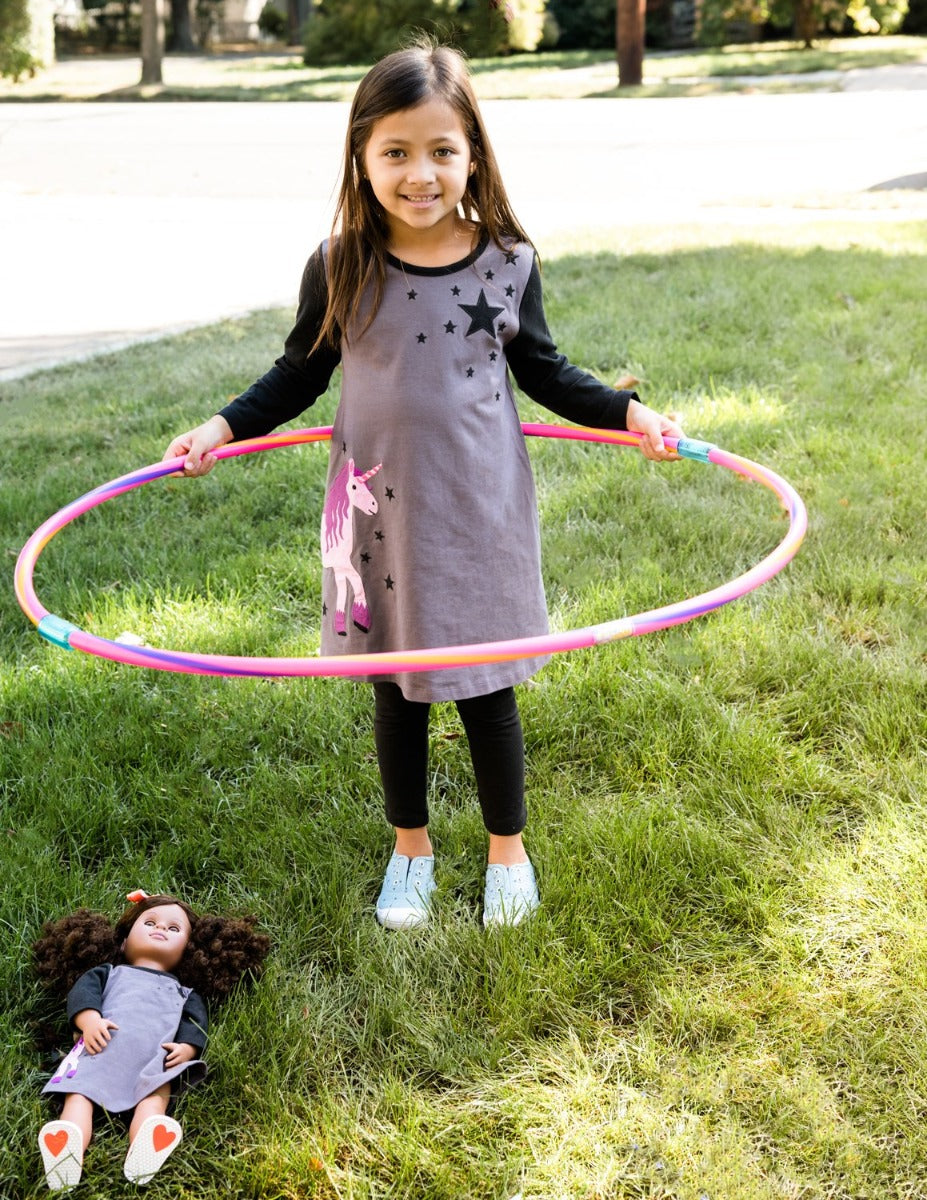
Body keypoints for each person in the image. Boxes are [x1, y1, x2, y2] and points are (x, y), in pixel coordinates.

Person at [163, 42, 684, 933]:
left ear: (472, 154)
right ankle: (411, 848)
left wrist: (627, 414)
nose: (420, 174)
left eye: (442, 150)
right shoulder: (340, 264)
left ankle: (507, 850)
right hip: (380, 517)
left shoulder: (505, 261)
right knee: (395, 686)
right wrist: (221, 426)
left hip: (477, 510)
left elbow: (546, 372)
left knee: (485, 688)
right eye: (396, 152)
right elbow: (298, 373)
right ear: (361, 158)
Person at [33, 891, 269, 1191]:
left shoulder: (185, 993)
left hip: (153, 1058)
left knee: (156, 1093)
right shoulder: (108, 973)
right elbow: (83, 994)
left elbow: (195, 1023)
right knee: (78, 1094)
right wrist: (88, 1020)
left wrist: (187, 1048)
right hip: (100, 1047)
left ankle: (146, 1140)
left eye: (174, 928)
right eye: (150, 922)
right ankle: (68, 1141)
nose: (160, 929)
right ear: (123, 941)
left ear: (188, 952)